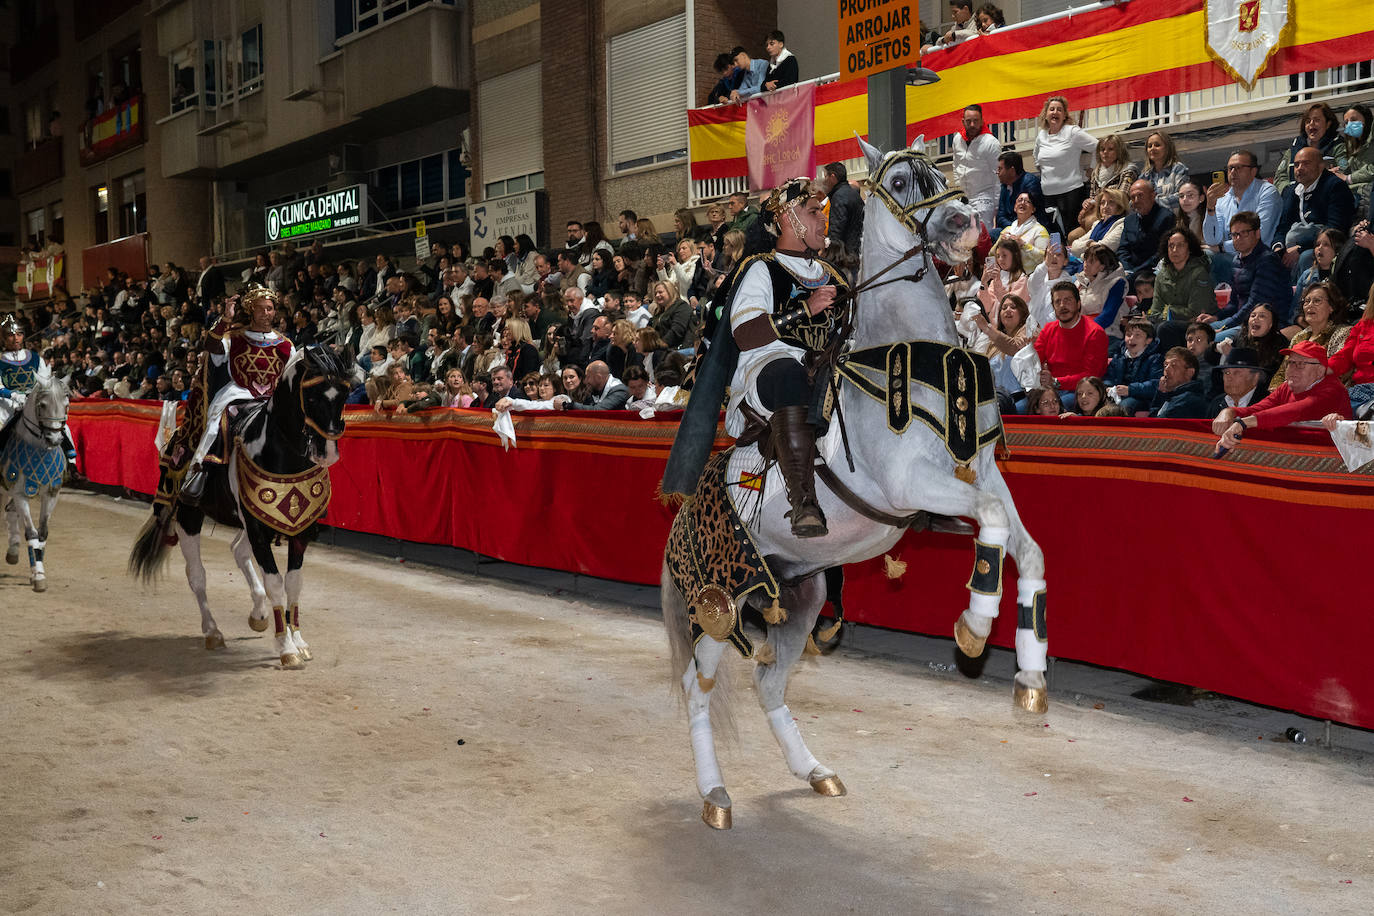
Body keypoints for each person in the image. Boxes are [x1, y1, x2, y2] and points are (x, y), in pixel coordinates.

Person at [663, 177, 848, 537]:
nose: (822, 219)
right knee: (789, 373)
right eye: (812, 212)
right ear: (787, 219)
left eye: (822, 212)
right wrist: (804, 310)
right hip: (766, 373)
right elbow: (745, 334)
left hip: (824, 371)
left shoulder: (834, 275)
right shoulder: (761, 269)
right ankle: (803, 501)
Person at [182, 286, 294, 495]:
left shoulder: (286, 344)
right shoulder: (233, 338)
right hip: (239, 394)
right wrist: (225, 318)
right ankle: (198, 471)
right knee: (217, 425)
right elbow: (211, 345)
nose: (266, 313)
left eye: (270, 309)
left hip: (272, 398)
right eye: (261, 309)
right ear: (251, 310)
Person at [1213, 340, 1352, 454]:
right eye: (1290, 363)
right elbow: (1259, 408)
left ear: (1320, 370)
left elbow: (1295, 411)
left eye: (1301, 364)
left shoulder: (1332, 389)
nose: (1292, 368)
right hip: (1295, 455)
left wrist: (1242, 423)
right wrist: (1229, 412)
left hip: (1333, 462)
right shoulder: (1286, 387)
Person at [0, 314, 76, 460]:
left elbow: (45, 381)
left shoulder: (35, 358)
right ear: (4, 338)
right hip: (7, 402)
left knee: (60, 426)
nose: (16, 338)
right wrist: (14, 395)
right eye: (11, 335)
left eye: (19, 334)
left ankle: (71, 462)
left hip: (33, 399)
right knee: (4, 424)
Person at [1202, 212, 1290, 338]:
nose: (1238, 238)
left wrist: (1225, 327)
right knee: (1196, 331)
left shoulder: (1267, 260)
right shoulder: (1236, 260)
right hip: (1240, 320)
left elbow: (1255, 303)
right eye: (1235, 234)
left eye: (1244, 233)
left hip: (1264, 325)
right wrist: (1216, 317)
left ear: (1257, 233)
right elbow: (1233, 303)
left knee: (1208, 339)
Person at [1272, 146, 1356, 274]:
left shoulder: (1335, 186)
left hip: (1328, 244)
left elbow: (1335, 227)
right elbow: (1283, 226)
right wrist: (1278, 247)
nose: (1299, 168)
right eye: (1296, 165)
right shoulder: (1290, 191)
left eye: (1306, 163)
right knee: (1270, 260)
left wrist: (1300, 247)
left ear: (1321, 166)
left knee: (1306, 257)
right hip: (1294, 246)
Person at [1034, 281, 1109, 408]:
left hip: (1080, 391)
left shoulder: (1095, 333)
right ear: (1053, 306)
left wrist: (1056, 382)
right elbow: (1034, 361)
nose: (1062, 305)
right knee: (1017, 407)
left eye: (1068, 300)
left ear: (1078, 304)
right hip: (1051, 389)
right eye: (1058, 302)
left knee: (1048, 408)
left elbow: (1090, 375)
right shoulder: (1048, 329)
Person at [1032, 96, 1097, 237]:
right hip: (1048, 194)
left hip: (1071, 193)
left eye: (1059, 110)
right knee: (1056, 236)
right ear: (1046, 114)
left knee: (1072, 234)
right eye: (1052, 109)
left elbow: (1097, 146)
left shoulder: (1072, 132)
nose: (1055, 112)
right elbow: (1036, 157)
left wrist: (1092, 169)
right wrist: (1043, 170)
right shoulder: (1041, 136)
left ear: (1064, 115)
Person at [1270, 281, 1352, 388]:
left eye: (1317, 301)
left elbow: (1337, 375)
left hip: (1323, 396)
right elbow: (1282, 373)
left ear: (1331, 307)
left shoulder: (1343, 333)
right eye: (1307, 301)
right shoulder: (1299, 337)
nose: (1310, 305)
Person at [1204, 149, 1283, 257]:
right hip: (1230, 258)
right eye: (1230, 168)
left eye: (1238, 168)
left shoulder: (1266, 192)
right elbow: (1212, 240)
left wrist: (1221, 248)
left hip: (1259, 256)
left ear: (1253, 171)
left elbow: (1258, 236)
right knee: (1205, 254)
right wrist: (1210, 207)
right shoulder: (1223, 199)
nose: (1232, 172)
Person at [1323, 286, 1374, 416]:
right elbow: (1344, 356)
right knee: (1322, 408)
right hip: (1361, 391)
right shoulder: (1363, 326)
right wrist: (1318, 371)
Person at [1149, 228, 1215, 326]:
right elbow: (1155, 310)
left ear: (1190, 248)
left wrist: (1169, 311)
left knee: (1164, 328)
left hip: (1197, 325)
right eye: (1171, 246)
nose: (1175, 250)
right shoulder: (1161, 275)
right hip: (1165, 323)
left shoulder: (1199, 273)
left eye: (1180, 245)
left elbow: (1196, 312)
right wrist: (1163, 316)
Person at [1273, 103, 1342, 196]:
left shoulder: (1338, 145)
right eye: (1308, 121)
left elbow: (1343, 172)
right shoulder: (1294, 148)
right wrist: (1290, 191)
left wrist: (1322, 178)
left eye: (1317, 120)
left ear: (1328, 124)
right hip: (1296, 201)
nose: (1311, 124)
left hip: (1326, 198)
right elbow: (1279, 178)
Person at [953, 105, 1001, 231]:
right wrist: (958, 192)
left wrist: (996, 205)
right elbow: (956, 166)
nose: (972, 124)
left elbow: (998, 175)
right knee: (964, 239)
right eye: (969, 121)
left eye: (976, 120)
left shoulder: (991, 143)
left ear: (982, 120)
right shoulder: (957, 139)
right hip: (963, 200)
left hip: (984, 199)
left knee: (983, 239)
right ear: (963, 122)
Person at [1105, 317, 1164, 415]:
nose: (1131, 339)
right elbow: (1109, 376)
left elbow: (1156, 384)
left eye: (1137, 335)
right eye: (1128, 335)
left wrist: (1130, 390)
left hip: (1142, 398)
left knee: (1124, 406)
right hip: (1117, 395)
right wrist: (1107, 387)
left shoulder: (1155, 359)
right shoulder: (1119, 356)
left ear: (1148, 340)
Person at [1119, 180, 1176, 277]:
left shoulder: (1166, 217)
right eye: (1133, 197)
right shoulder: (1129, 220)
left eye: (1140, 195)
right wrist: (1127, 268)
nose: (1136, 200)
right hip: (1129, 271)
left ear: (1153, 196)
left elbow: (1162, 252)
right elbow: (1123, 249)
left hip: (1152, 271)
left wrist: (1136, 271)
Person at [1077, 242, 1129, 345]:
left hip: (1107, 334)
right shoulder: (1079, 282)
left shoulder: (1117, 283)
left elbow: (1108, 316)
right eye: (1085, 260)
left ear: (1102, 266)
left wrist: (1082, 332)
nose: (1086, 264)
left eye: (1091, 261)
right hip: (1080, 332)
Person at [821, 161, 864, 265]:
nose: (824, 180)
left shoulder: (839, 196)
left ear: (832, 176)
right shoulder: (853, 193)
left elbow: (836, 229)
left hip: (846, 256)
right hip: (858, 251)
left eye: (825, 176)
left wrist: (831, 256)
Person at [1332, 103, 1374, 211]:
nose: (1349, 124)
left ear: (1366, 120)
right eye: (1346, 122)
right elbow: (1345, 165)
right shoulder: (1349, 146)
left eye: (1354, 120)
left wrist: (1348, 178)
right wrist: (1336, 172)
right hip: (1356, 196)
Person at [1205, 346, 1268, 416]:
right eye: (1227, 373)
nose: (1229, 378)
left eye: (1237, 373)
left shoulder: (1268, 403)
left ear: (1255, 377)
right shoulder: (1216, 403)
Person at [995, 151, 1048, 233]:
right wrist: (1013, 228)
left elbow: (1034, 214)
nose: (997, 172)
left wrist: (1017, 229)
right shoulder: (1004, 185)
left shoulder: (1030, 183)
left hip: (1030, 229)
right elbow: (1000, 216)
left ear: (1012, 171)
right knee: (993, 234)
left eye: (1000, 169)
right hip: (1011, 228)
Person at [1147, 346, 1209, 418]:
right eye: (1165, 365)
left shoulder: (1188, 401)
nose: (1166, 369)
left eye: (1174, 365)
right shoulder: (1171, 396)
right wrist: (1161, 394)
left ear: (1189, 373)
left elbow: (1156, 425)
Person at [1138, 131, 1190, 212]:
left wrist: (1152, 202)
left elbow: (1181, 197)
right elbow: (1135, 202)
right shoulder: (1144, 176)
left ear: (1167, 148)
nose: (1152, 148)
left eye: (1157, 145)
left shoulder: (1178, 169)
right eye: (1149, 146)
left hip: (1174, 220)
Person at [1070, 188, 1128, 257]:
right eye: (1102, 203)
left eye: (1111, 203)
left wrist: (1083, 253)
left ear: (1120, 206)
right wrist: (1089, 244)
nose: (1105, 206)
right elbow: (1074, 247)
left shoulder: (1122, 224)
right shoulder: (1097, 223)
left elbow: (1102, 251)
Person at [1001, 191, 1050, 269]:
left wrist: (1023, 244)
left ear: (1033, 209)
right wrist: (1000, 243)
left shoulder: (1040, 230)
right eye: (1020, 200)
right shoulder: (1007, 230)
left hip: (1031, 276)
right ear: (1014, 207)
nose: (1022, 203)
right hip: (1009, 274)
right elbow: (992, 254)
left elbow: (1044, 258)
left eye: (1028, 201)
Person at [1089, 133, 1139, 199]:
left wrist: (1096, 201)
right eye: (1102, 149)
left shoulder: (1128, 170)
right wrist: (1088, 202)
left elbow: (1123, 197)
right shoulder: (1095, 173)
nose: (1105, 152)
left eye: (1110, 149)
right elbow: (1092, 197)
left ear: (1119, 151)